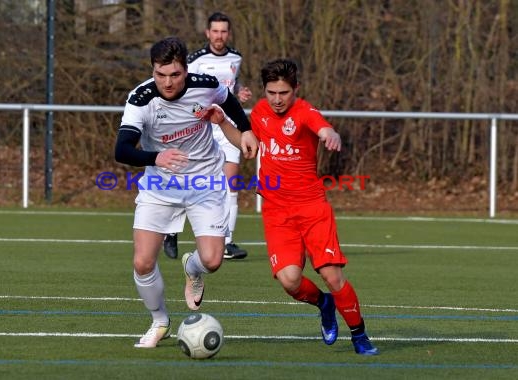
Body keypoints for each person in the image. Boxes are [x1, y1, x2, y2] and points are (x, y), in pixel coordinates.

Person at [114, 36, 258, 348]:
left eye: (175, 75)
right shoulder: (141, 98)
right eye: (160, 74)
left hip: (205, 181)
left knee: (213, 261)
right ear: (153, 70)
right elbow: (122, 150)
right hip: (160, 187)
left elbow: (229, 99)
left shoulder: (205, 84)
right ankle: (159, 321)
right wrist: (156, 157)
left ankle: (192, 268)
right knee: (142, 263)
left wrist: (245, 129)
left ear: (186, 71)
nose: (167, 82)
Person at [249, 58, 379, 355]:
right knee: (290, 281)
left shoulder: (305, 111)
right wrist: (222, 124)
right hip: (276, 210)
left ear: (296, 88)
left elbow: (322, 128)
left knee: (332, 275)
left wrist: (329, 134)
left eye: (284, 93)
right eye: (272, 93)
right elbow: (248, 141)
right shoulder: (259, 112)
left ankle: (360, 335)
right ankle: (324, 303)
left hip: (311, 207)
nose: (278, 100)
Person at [163, 11, 252, 261]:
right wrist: (199, 112)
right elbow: (184, 94)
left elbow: (232, 87)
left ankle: (227, 242)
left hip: (227, 126)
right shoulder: (195, 60)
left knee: (230, 184)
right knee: (185, 178)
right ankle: (171, 230)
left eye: (224, 31)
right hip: (201, 127)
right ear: (207, 33)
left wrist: (240, 92)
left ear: (229, 33)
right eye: (215, 31)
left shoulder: (237, 57)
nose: (219, 36)